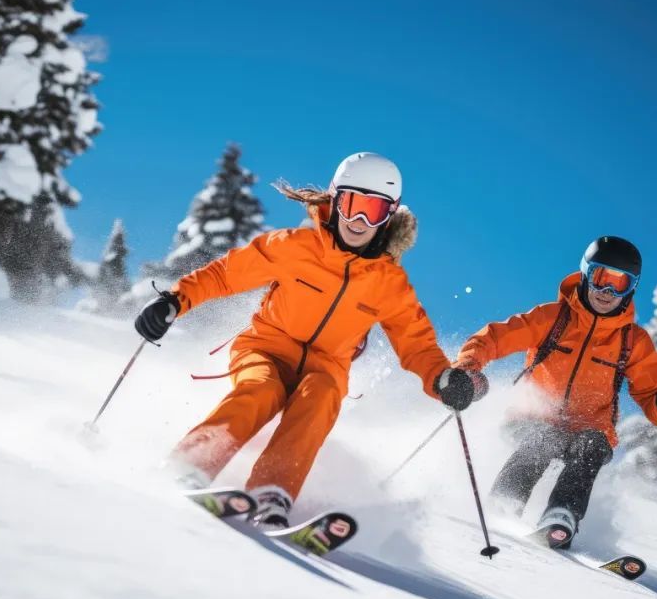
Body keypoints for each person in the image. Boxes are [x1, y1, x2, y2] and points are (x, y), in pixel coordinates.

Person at [134, 153, 481, 529]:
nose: (359, 221)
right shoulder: (294, 247)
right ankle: (190, 464)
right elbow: (227, 274)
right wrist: (175, 300)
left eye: (374, 210)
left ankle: (272, 493)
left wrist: (441, 379)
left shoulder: (388, 283)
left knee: (320, 399)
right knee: (258, 391)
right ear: (335, 202)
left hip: (327, 365)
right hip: (265, 347)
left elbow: (416, 343)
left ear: (389, 216)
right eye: (352, 205)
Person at [452, 236, 657, 548]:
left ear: (632, 287)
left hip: (589, 426)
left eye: (619, 283)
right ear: (587, 273)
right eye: (602, 278)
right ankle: (503, 504)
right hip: (532, 416)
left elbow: (649, 392)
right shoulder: (553, 318)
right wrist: (469, 366)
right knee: (543, 438)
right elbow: (495, 337)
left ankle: (562, 515)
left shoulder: (632, 341)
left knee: (591, 444)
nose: (607, 291)